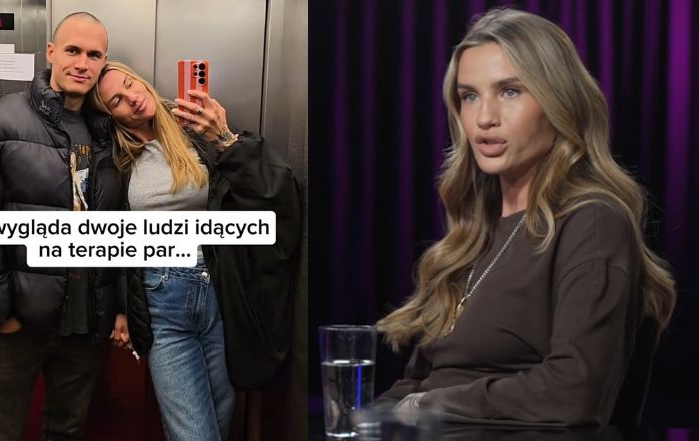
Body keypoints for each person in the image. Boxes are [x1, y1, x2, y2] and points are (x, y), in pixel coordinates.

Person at [375, 8, 676, 426]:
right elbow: (418, 384)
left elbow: (575, 392)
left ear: (557, 102)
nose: (484, 118)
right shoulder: (471, 237)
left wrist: (429, 405)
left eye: (510, 91)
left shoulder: (592, 222)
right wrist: (361, 422)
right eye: (469, 96)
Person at [0, 12, 127, 441]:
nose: (82, 63)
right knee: (0, 433)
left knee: (67, 431)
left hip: (85, 324)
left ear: (104, 61)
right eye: (73, 50)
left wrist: (115, 304)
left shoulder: (109, 132)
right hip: (18, 327)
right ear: (51, 52)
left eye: (94, 54)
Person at [91, 61, 301, 441]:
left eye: (130, 84)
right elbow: (112, 239)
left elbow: (267, 195)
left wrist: (225, 138)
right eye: (117, 100)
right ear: (111, 116)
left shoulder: (197, 133)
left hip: (219, 294)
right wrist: (120, 307)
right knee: (194, 435)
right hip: (162, 301)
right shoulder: (115, 160)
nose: (132, 98)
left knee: (218, 426)